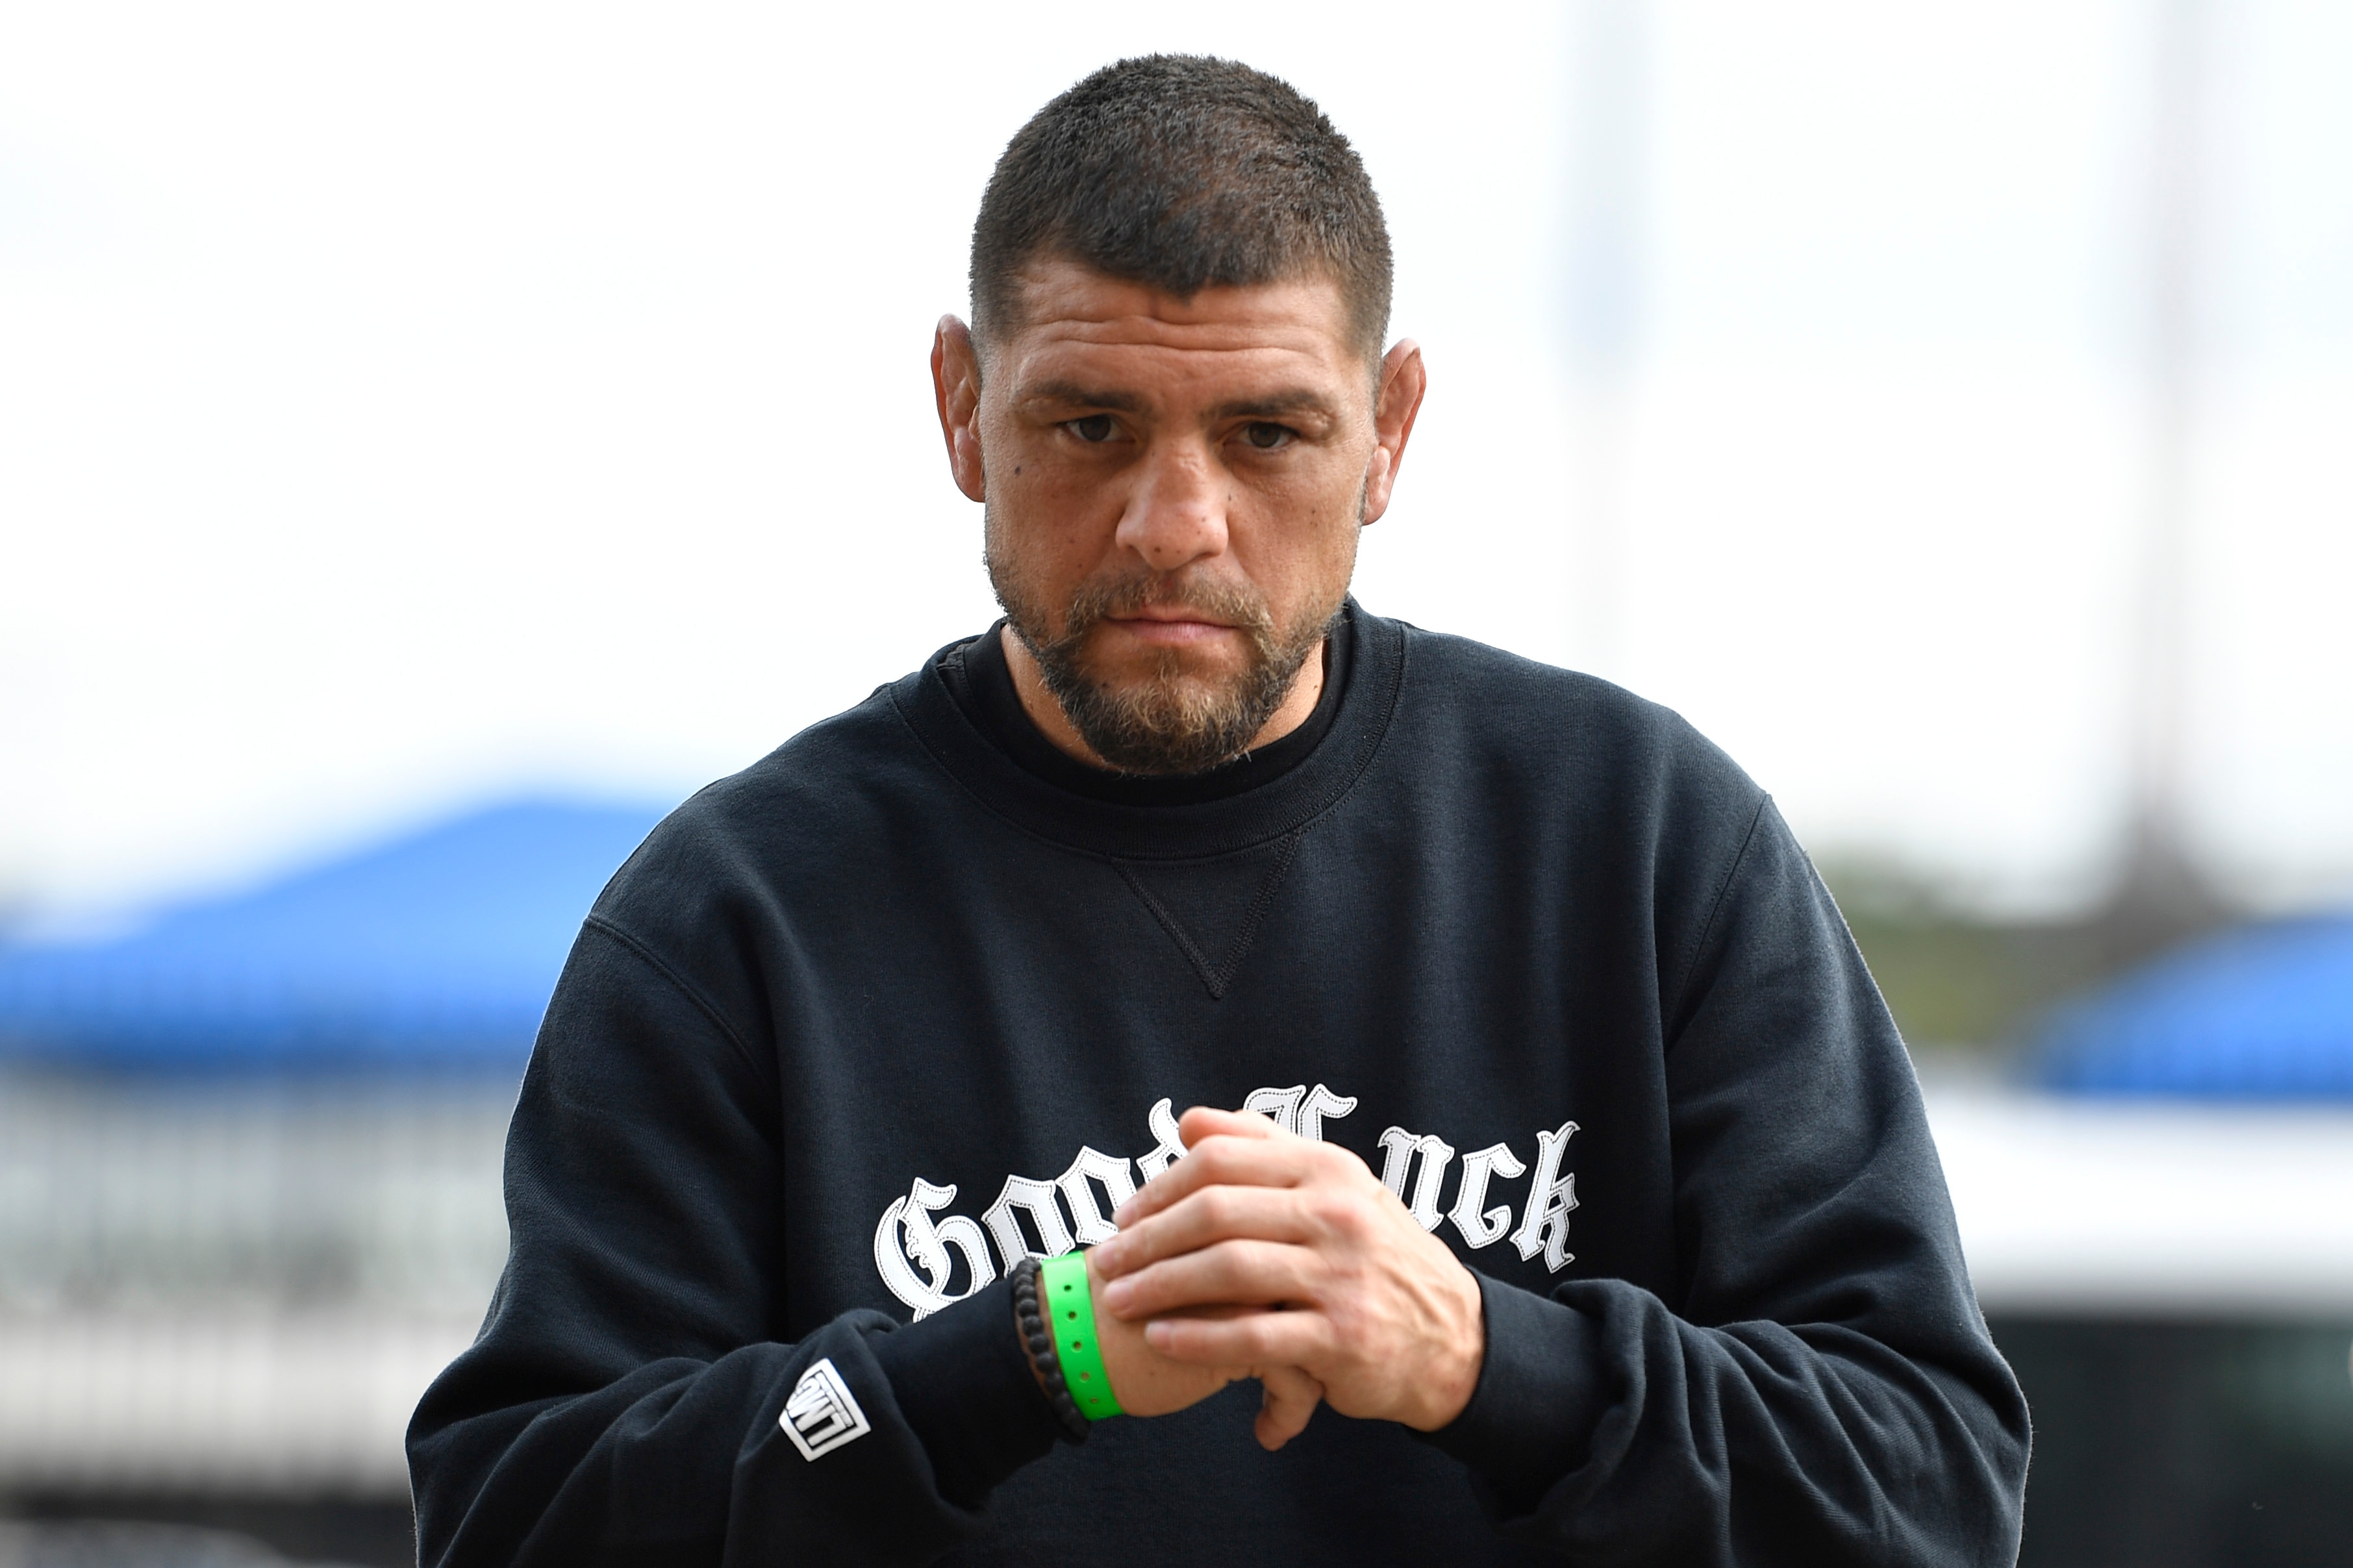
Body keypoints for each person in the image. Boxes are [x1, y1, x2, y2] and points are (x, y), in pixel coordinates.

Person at [408, 54, 2029, 1567]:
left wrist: (1482, 1353)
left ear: (1387, 430)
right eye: (1090, 425)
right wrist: (1021, 1354)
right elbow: (514, 1514)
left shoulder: (1642, 844)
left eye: (1268, 434)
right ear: (963, 409)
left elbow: (1935, 1484)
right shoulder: (737, 916)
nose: (1176, 523)